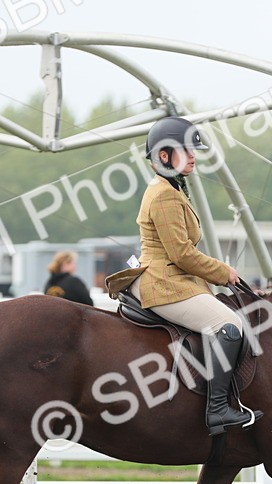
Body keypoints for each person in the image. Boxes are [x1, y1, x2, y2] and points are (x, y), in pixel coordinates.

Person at [104, 115, 261, 436]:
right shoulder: (163, 195)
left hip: (175, 279)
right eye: (186, 150)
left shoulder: (172, 189)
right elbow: (181, 254)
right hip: (162, 283)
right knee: (229, 326)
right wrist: (223, 272)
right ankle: (218, 409)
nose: (192, 155)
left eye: (193, 150)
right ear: (163, 156)